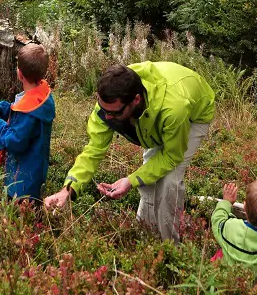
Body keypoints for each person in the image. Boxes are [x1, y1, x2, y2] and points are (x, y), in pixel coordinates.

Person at [44, 61, 215, 243]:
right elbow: (93, 151)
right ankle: (144, 234)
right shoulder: (109, 104)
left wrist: (131, 180)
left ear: (135, 100)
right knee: (149, 174)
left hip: (193, 112)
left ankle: (169, 246)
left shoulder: (174, 109)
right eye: (103, 110)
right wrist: (68, 190)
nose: (107, 117)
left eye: (115, 113)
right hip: (155, 112)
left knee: (169, 180)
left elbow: (172, 156)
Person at [0, 43, 55, 202]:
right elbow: (20, 109)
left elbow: (15, 142)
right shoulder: (41, 96)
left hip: (22, 181)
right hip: (35, 173)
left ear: (19, 74)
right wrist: (4, 108)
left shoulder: (29, 111)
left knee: (19, 219)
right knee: (32, 211)